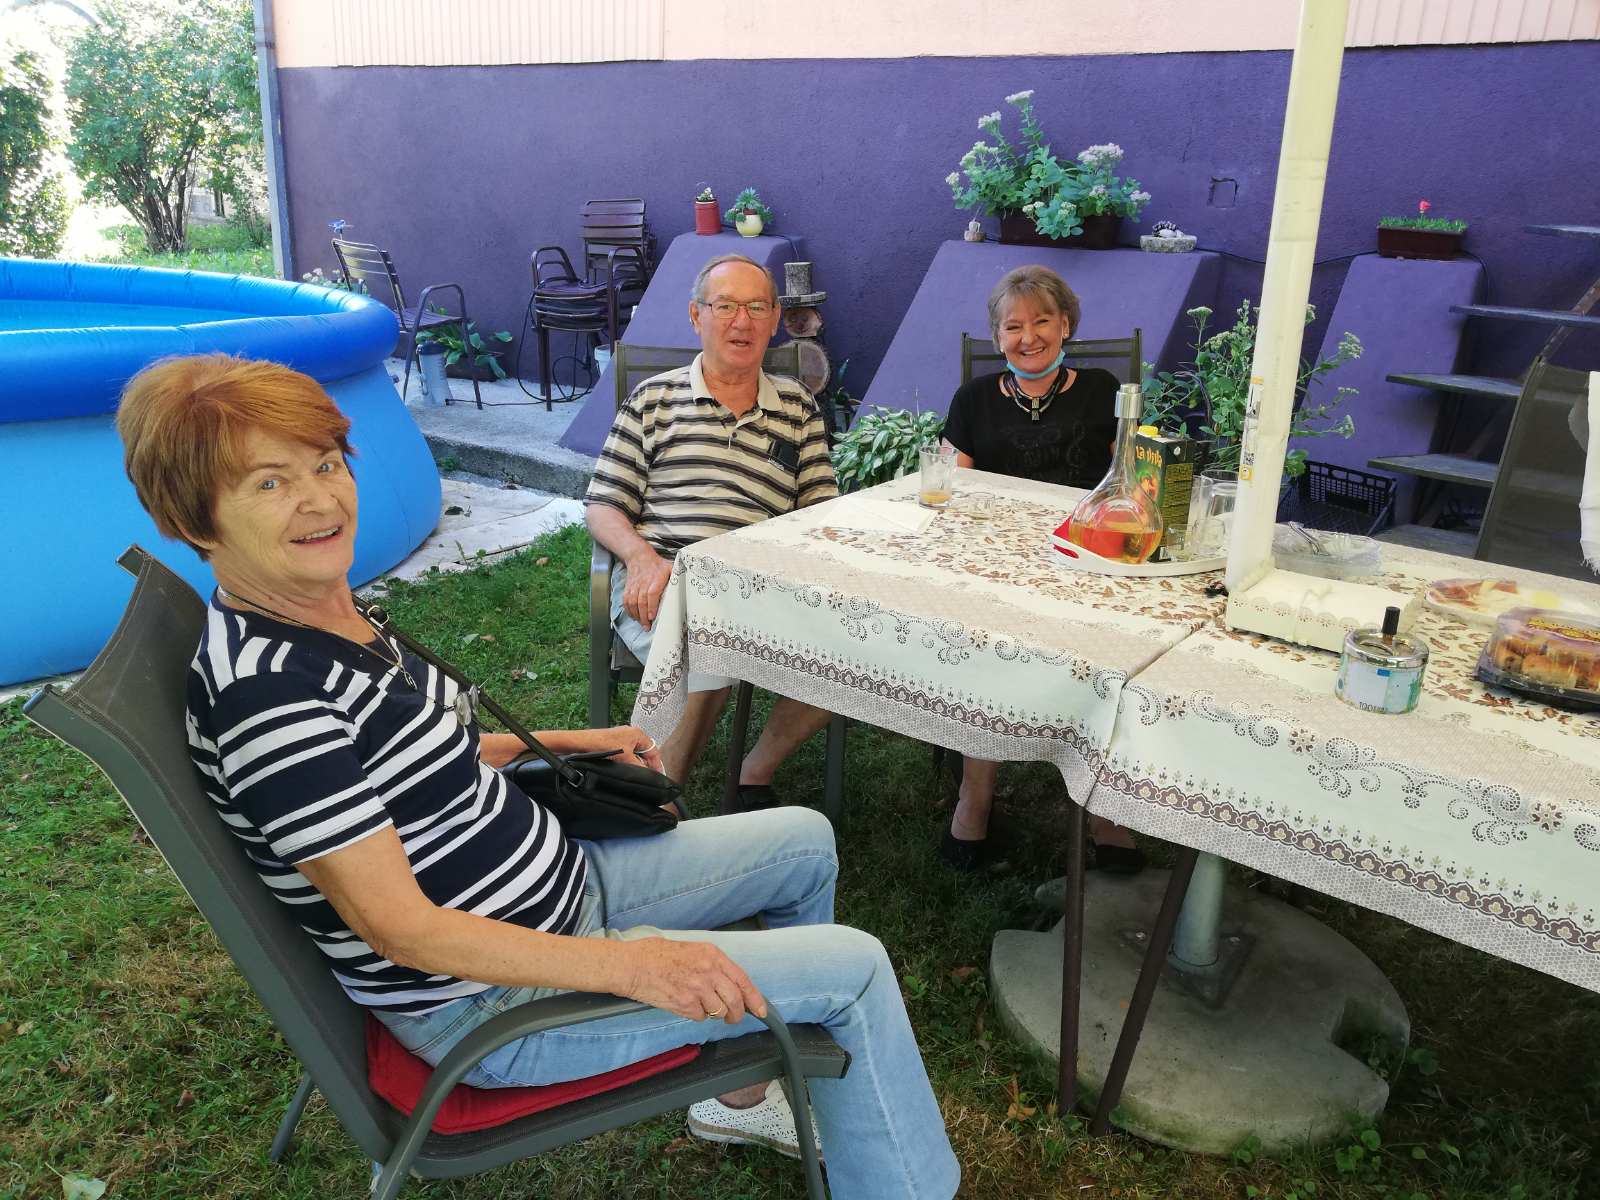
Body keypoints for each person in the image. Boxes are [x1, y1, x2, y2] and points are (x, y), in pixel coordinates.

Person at [115, 353, 959, 1199]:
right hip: (500, 1005)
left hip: (564, 889)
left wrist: (573, 741)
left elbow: (416, 754)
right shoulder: (271, 699)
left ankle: (740, 1098)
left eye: (326, 464)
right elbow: (401, 930)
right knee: (854, 969)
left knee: (805, 842)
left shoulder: (322, 612)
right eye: (269, 483)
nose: (319, 500)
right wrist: (638, 968)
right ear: (194, 517)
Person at [585, 254, 837, 804]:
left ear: (775, 320)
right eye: (725, 306)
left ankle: (752, 772)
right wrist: (641, 559)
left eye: (757, 307)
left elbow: (821, 511)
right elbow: (603, 504)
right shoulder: (653, 400)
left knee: (855, 645)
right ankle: (657, 804)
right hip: (669, 573)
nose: (742, 321)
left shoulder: (797, 407)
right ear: (696, 315)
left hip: (760, 579)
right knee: (705, 647)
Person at [939, 264, 1146, 874]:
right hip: (997, 561)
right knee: (985, 648)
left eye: (1042, 321)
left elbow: (1131, 482)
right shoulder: (973, 399)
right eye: (1013, 326)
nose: (1027, 336)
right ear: (997, 337)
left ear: (1066, 325)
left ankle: (1104, 807)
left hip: (1088, 558)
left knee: (1111, 657)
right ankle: (974, 798)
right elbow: (954, 491)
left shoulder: (1103, 389)